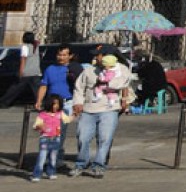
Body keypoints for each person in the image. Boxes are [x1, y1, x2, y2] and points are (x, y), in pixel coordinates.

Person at [71, 47, 132, 178]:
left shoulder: (121, 69)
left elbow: (123, 83)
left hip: (109, 109)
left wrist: (106, 78)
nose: (96, 58)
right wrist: (78, 102)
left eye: (98, 55)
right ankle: (82, 163)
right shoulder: (89, 70)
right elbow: (79, 87)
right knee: (82, 137)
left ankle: (99, 165)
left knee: (105, 138)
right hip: (89, 109)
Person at [29, 93, 71, 181]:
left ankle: (51, 172)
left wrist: (75, 114)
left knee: (53, 157)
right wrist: (40, 126)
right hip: (45, 139)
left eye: (58, 104)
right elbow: (36, 125)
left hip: (56, 138)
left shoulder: (60, 113)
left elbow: (67, 120)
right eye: (54, 104)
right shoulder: (43, 114)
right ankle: (36, 175)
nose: (56, 106)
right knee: (42, 157)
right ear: (49, 104)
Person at [1, 31, 42, 108]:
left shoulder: (25, 47)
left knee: (15, 89)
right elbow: (37, 41)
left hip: (26, 72)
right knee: (37, 90)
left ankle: (4, 102)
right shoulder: (36, 46)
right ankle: (40, 103)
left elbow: (23, 60)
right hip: (36, 71)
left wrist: (20, 72)